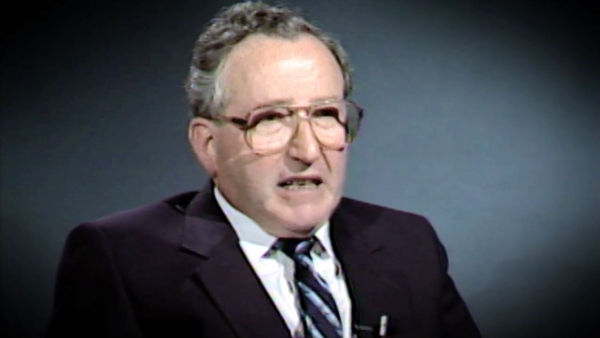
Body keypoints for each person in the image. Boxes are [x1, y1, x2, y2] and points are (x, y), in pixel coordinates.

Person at [47, 2, 481, 337]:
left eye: (326, 114)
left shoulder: (408, 244)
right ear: (209, 144)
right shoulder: (125, 261)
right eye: (271, 119)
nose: (307, 150)